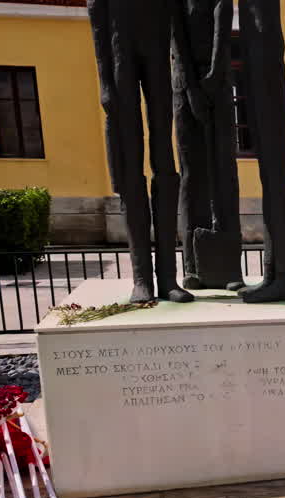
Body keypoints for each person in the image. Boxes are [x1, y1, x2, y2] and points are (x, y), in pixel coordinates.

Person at [87, 0, 192, 303]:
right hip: (122, 62)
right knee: (131, 173)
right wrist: (105, 81)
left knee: (166, 168)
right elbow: (97, 22)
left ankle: (169, 278)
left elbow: (177, 25)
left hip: (158, 63)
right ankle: (142, 279)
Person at [173, 0, 246, 291]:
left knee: (225, 172)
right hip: (184, 85)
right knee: (192, 178)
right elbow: (177, 41)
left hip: (220, 85)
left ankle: (230, 269)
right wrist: (192, 89)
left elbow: (223, 26)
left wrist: (216, 76)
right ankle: (192, 267)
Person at [237, 0, 285, 303]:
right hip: (259, 75)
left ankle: (283, 276)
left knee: (276, 184)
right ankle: (273, 274)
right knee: (271, 184)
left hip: (267, 80)